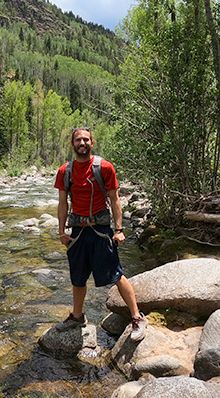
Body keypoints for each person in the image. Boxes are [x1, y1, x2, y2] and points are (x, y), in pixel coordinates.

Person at [54, 127, 148, 341]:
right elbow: (62, 203)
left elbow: (115, 199)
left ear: (92, 143)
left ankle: (137, 316)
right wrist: (61, 231)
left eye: (86, 139)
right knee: (78, 278)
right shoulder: (64, 171)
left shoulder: (104, 167)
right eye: (78, 140)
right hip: (77, 232)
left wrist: (119, 229)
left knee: (115, 274)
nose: (82, 143)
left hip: (101, 231)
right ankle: (77, 317)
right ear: (72, 144)